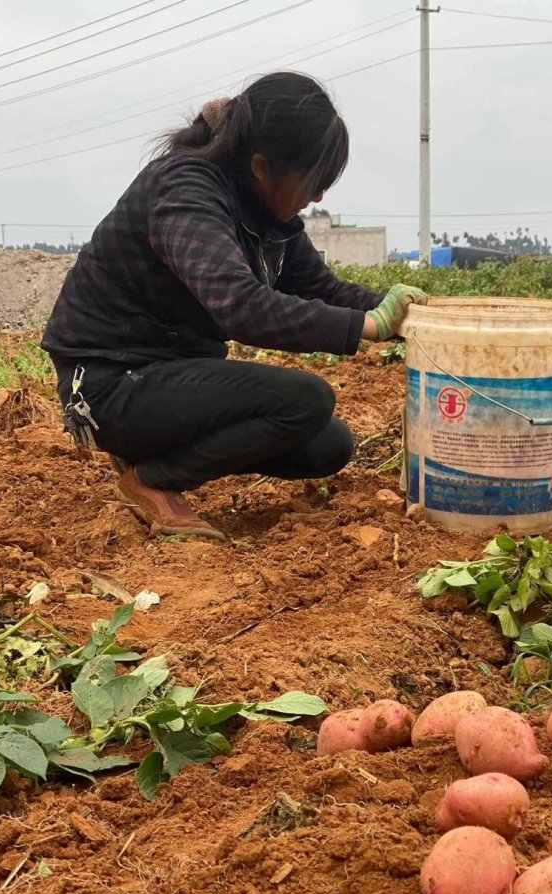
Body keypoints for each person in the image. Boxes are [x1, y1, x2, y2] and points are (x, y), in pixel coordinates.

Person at [42, 71, 427, 542]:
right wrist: (367, 326)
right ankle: (152, 480)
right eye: (313, 180)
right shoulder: (184, 192)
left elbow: (319, 287)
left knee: (328, 445)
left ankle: (148, 453)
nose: (319, 196)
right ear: (262, 166)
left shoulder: (265, 212)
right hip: (105, 385)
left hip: (166, 376)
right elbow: (240, 306)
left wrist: (408, 314)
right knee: (306, 399)